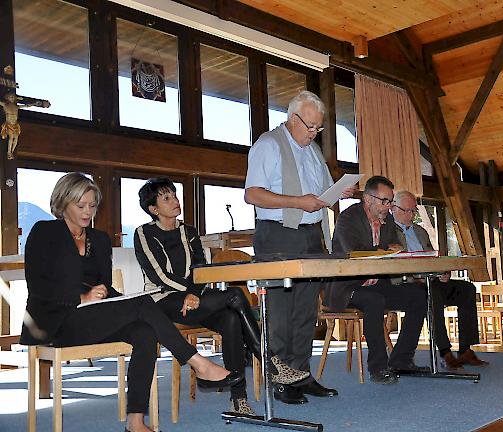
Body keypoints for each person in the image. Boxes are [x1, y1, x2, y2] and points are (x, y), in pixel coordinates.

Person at [19, 172, 243, 432]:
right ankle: (198, 363)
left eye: (92, 206)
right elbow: (37, 284)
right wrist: (81, 297)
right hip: (53, 322)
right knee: (144, 305)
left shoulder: (100, 240)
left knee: (144, 331)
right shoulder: (45, 232)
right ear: (62, 203)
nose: (87, 212)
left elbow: (104, 286)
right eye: (80, 206)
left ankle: (135, 422)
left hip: (90, 319)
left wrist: (113, 298)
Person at [134, 177, 310, 415]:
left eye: (174, 195)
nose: (175, 201)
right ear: (153, 209)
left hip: (194, 300)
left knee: (231, 320)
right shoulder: (144, 233)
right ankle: (270, 363)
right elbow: (158, 275)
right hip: (163, 301)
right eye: (167, 198)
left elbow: (200, 267)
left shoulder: (189, 231)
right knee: (235, 294)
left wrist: (193, 293)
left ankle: (239, 400)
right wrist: (187, 293)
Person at [244, 90, 354, 404]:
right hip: (277, 234)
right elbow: (252, 194)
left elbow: (319, 194)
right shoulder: (268, 145)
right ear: (293, 118)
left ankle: (300, 374)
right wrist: (297, 202)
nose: (313, 133)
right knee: (280, 311)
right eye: (309, 126)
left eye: (318, 128)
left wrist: (339, 192)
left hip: (311, 236)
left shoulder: (314, 151)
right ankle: (280, 381)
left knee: (307, 311)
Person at [323, 176, 429, 384]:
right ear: (368, 199)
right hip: (347, 287)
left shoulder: (387, 219)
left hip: (377, 282)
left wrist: (393, 249)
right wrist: (384, 250)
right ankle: (378, 367)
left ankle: (401, 360)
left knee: (417, 295)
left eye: (390, 201)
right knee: (374, 300)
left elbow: (393, 247)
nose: (388, 206)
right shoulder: (348, 218)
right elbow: (351, 253)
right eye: (384, 201)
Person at [392, 189, 488, 370]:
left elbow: (431, 257)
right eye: (406, 211)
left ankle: (466, 349)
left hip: (430, 279)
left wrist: (442, 271)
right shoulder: (388, 230)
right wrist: (416, 277)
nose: (411, 215)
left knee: (466, 289)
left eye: (413, 211)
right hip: (407, 283)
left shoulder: (420, 231)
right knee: (432, 293)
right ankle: (445, 352)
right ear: (394, 209)